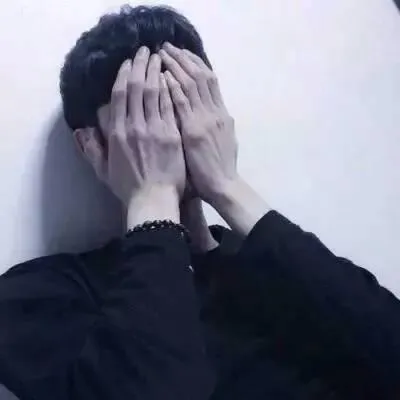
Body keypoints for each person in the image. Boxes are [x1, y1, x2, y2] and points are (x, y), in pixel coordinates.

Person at [0, 5, 400, 400]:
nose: (175, 135)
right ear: (92, 147)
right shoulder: (43, 296)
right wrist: (153, 197)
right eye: (144, 115)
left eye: (188, 104)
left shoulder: (274, 261)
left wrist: (229, 187)